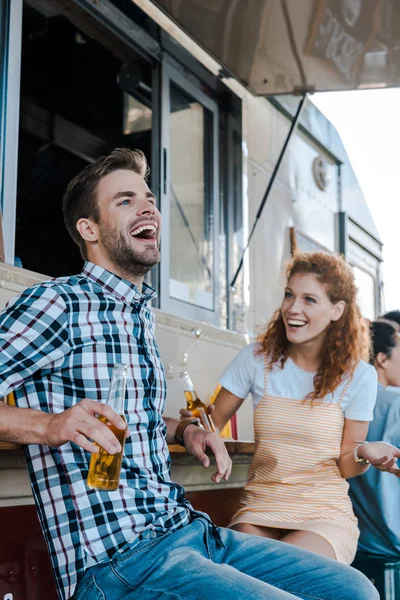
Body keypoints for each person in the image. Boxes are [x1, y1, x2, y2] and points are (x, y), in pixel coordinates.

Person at [0, 149, 379, 600]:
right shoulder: (57, 303)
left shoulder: (137, 316)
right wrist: (48, 425)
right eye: (125, 201)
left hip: (188, 531)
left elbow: (132, 422)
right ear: (89, 229)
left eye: (149, 198)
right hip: (120, 563)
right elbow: (60, 422)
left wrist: (184, 430)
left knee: (354, 591)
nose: (148, 208)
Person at [202, 252, 400, 565]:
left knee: (276, 569)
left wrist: (365, 452)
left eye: (309, 299)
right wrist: (202, 433)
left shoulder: (358, 375)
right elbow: (209, 423)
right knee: (238, 568)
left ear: (337, 310)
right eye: (289, 295)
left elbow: (348, 465)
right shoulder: (255, 358)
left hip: (323, 516)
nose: (293, 308)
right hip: (260, 507)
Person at [349, 321, 400, 559]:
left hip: (360, 537)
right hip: (393, 536)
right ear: (381, 358)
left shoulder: (345, 398)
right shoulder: (395, 403)